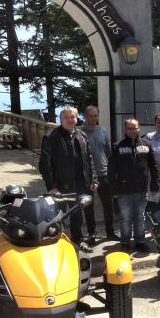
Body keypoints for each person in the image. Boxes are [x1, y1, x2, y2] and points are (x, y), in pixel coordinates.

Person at [39, 107, 98, 251]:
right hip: (60, 186)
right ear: (61, 119)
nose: (70, 120)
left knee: (77, 216)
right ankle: (58, 244)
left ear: (77, 119)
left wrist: (93, 179)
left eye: (72, 117)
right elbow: (44, 165)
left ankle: (77, 242)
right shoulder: (51, 137)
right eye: (66, 117)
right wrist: (51, 186)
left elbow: (89, 159)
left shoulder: (82, 136)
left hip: (80, 184)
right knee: (58, 217)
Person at [108, 118, 159, 252]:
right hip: (123, 191)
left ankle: (140, 241)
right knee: (125, 218)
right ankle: (125, 242)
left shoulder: (147, 144)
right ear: (125, 129)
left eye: (134, 128)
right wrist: (114, 190)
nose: (132, 131)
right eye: (129, 128)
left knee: (140, 217)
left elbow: (154, 167)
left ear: (138, 128)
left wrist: (154, 186)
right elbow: (111, 170)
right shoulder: (117, 146)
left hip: (142, 190)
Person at [80, 105, 119, 243]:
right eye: (90, 116)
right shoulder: (79, 133)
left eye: (95, 115)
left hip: (104, 174)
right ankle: (92, 233)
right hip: (87, 177)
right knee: (88, 206)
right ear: (85, 116)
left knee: (108, 205)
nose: (93, 118)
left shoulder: (103, 131)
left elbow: (109, 154)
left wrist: (112, 173)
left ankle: (110, 232)